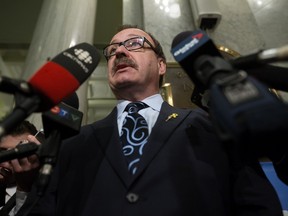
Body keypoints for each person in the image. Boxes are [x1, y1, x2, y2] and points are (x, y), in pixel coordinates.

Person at [17, 25, 283, 216]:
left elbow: (256, 203)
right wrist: (28, 184)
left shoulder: (210, 126)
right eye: (112, 49)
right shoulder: (75, 142)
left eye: (134, 43)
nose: (119, 51)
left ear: (161, 65)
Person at [0, 120, 43, 216]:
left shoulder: (39, 195)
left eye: (16, 154)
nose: (7, 162)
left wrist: (23, 188)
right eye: (3, 152)